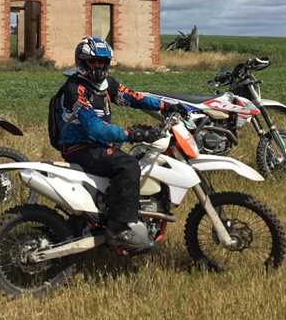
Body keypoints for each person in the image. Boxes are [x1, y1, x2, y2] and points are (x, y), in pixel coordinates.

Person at [51, 36, 187, 250]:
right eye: (93, 61)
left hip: (94, 145)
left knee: (135, 157)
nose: (98, 66)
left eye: (103, 62)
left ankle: (103, 213)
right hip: (80, 147)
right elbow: (94, 128)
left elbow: (133, 97)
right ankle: (119, 228)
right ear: (82, 62)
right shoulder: (75, 89)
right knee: (128, 165)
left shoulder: (105, 85)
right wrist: (130, 133)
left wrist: (164, 105)